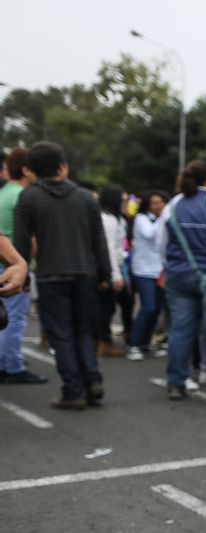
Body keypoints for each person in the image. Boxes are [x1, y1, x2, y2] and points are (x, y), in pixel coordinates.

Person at [12, 141, 113, 410]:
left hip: (50, 274)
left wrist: (20, 275)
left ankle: (73, 391)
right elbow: (98, 240)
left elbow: (21, 241)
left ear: (31, 170)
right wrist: (105, 272)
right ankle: (93, 382)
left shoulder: (29, 198)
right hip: (85, 273)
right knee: (84, 331)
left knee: (61, 336)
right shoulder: (84, 198)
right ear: (62, 166)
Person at [157, 160, 206, 401]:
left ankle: (176, 383)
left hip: (178, 275)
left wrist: (169, 266)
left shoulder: (173, 205)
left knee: (180, 330)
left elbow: (162, 243)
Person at [0, 147, 47, 384]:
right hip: (13, 265)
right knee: (15, 318)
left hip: (5, 262)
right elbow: (30, 237)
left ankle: (4, 361)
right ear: (27, 170)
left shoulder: (5, 192)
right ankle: (13, 367)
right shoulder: (21, 195)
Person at [126, 190, 168, 361]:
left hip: (159, 270)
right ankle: (133, 344)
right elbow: (150, 234)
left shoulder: (163, 220)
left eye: (161, 202)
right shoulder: (141, 218)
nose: (157, 206)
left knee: (157, 309)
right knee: (148, 307)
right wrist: (163, 218)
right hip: (143, 270)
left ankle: (145, 342)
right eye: (154, 203)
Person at [96, 185, 128, 358]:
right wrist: (115, 275)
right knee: (105, 308)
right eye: (122, 200)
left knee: (105, 307)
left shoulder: (113, 218)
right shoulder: (109, 220)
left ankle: (101, 341)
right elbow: (109, 249)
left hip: (106, 269)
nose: (126, 203)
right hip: (107, 270)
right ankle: (103, 343)